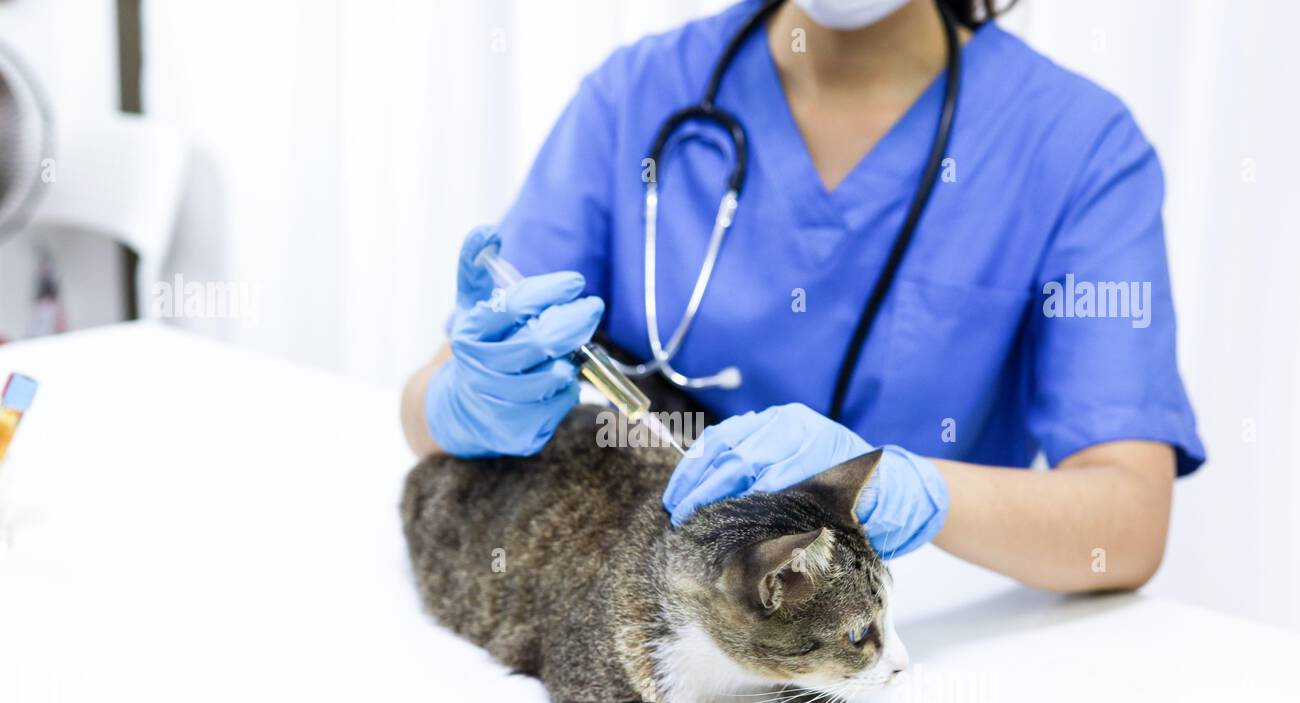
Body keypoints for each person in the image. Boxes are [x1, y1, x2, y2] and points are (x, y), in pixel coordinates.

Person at [400, 0, 1204, 593]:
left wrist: (904, 485)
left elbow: (1128, 523)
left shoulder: (1079, 146)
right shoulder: (638, 95)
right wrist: (464, 401)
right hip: (659, 612)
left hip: (906, 637)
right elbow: (423, 402)